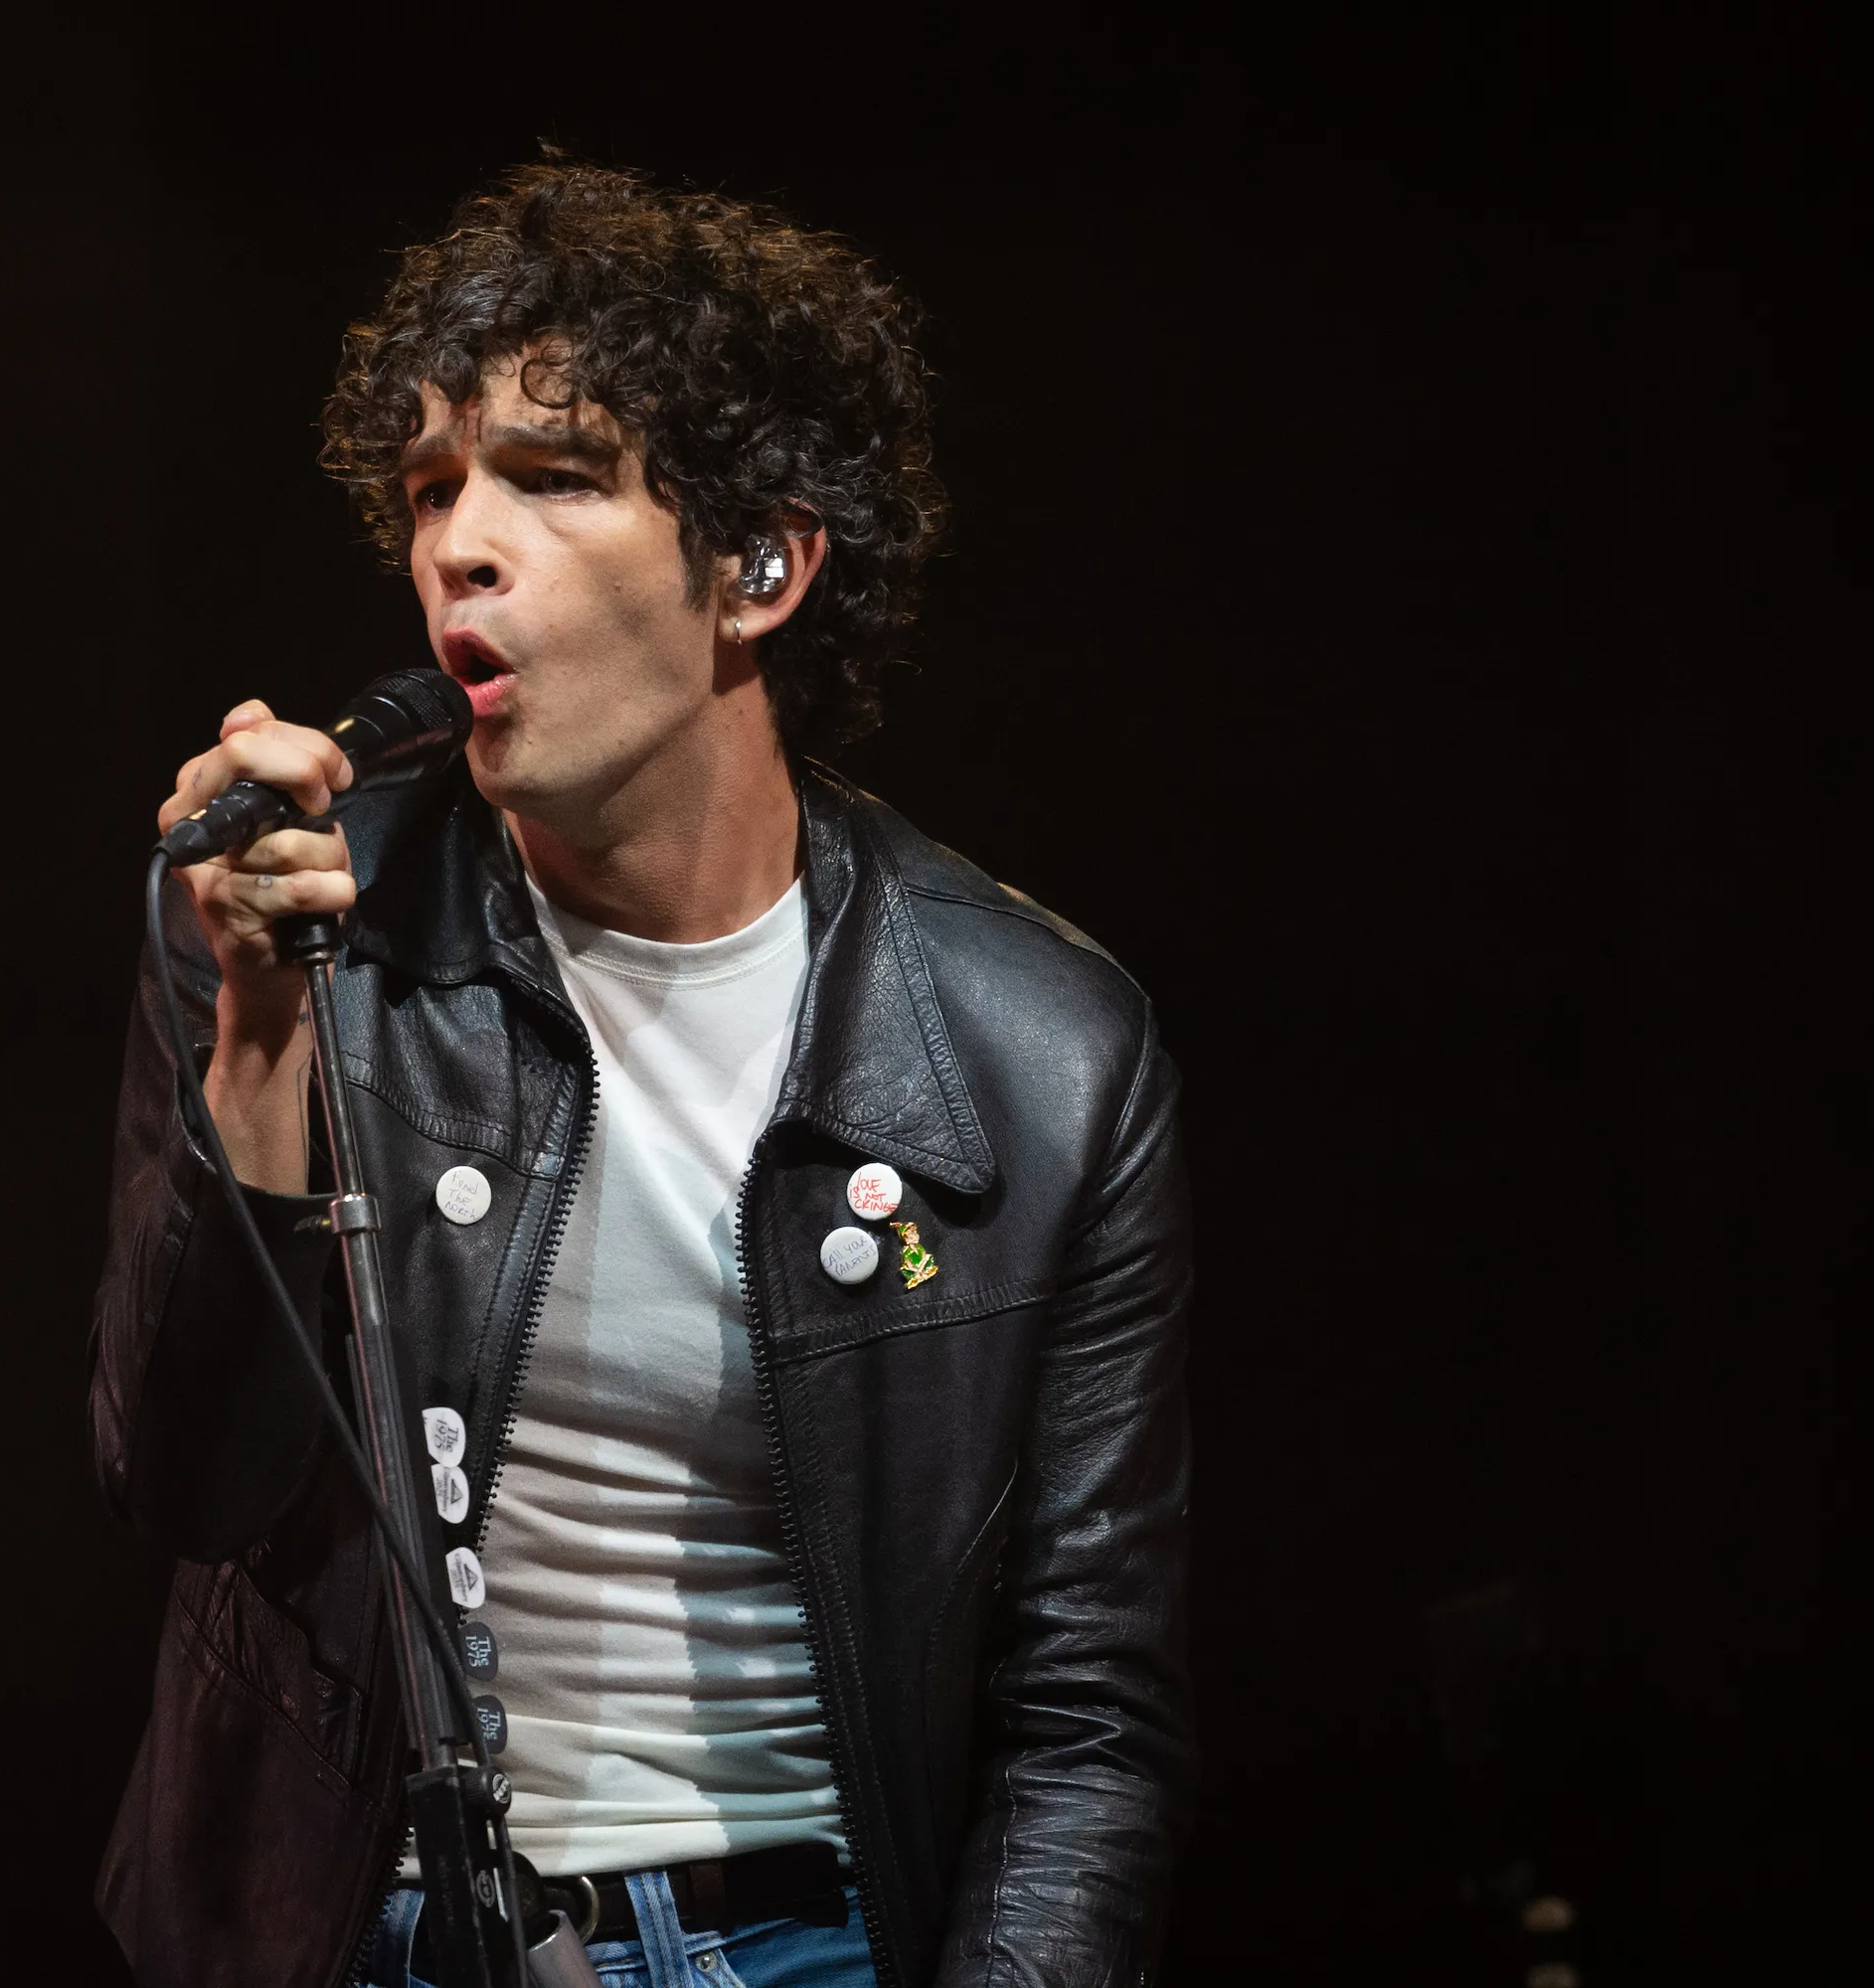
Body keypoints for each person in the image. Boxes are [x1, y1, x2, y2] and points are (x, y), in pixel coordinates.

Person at [90, 161, 1192, 1988]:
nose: (460, 543)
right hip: (373, 1932)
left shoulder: (1046, 1056)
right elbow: (192, 1484)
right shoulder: (287, 928)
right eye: (432, 487)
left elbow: (1087, 1712)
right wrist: (266, 1031)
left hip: (808, 1939)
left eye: (555, 475)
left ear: (761, 570)